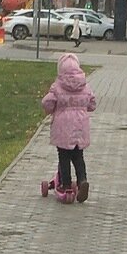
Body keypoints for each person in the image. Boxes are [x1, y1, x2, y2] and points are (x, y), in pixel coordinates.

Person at [41, 53, 96, 203]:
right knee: (78, 156)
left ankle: (65, 185)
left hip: (63, 128)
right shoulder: (85, 86)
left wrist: (51, 109)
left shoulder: (58, 86)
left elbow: (47, 102)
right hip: (80, 127)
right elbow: (92, 103)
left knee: (64, 156)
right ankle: (82, 180)